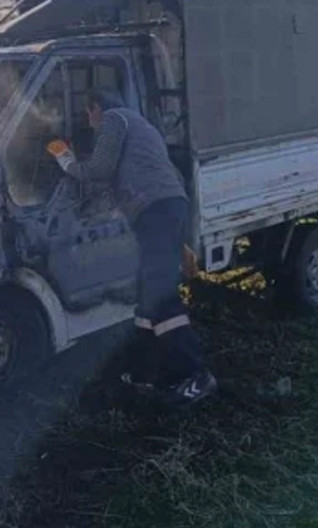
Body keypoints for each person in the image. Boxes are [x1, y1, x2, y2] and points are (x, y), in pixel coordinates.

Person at [46, 89, 216, 406]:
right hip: (165, 209)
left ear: (96, 108)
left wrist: (64, 158)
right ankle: (144, 373)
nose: (90, 123)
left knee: (161, 296)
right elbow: (157, 175)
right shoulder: (142, 125)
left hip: (156, 211)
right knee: (147, 296)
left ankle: (196, 375)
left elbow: (98, 171)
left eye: (88, 115)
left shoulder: (114, 118)